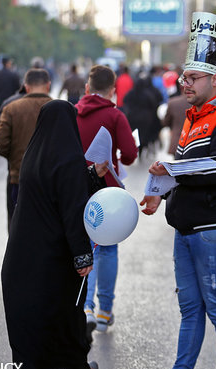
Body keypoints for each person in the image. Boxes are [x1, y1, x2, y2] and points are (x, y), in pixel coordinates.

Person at [135, 68, 216, 369]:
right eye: (184, 78)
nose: (185, 84)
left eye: (194, 78)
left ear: (215, 81)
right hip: (187, 229)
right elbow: (188, 171)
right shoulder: (192, 117)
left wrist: (174, 171)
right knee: (190, 309)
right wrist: (163, 190)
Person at [0, 100, 105, 369]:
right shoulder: (69, 158)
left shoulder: (33, 155)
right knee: (67, 315)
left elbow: (56, 189)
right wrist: (83, 256)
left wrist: (89, 174)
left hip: (20, 259)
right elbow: (72, 210)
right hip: (52, 260)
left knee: (26, 322)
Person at [75, 65, 138, 340]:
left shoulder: (71, 112)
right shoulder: (114, 115)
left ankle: (85, 307)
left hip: (76, 190)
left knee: (82, 248)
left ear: (87, 88)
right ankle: (104, 313)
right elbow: (131, 154)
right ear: (113, 90)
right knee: (107, 250)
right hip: (107, 195)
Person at [0, 69, 52, 231]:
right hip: (50, 182)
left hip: (18, 178)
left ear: (26, 87)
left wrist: (14, 157)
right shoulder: (61, 109)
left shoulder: (12, 108)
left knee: (17, 227)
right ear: (48, 86)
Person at [123, 76, 163, 156]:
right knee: (144, 135)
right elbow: (154, 103)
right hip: (146, 118)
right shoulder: (147, 94)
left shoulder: (131, 93)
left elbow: (125, 101)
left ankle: (136, 149)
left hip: (132, 118)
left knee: (135, 134)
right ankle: (142, 149)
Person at [162, 79, 191, 155]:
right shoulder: (199, 103)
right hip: (193, 142)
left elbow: (165, 122)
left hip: (177, 142)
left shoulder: (173, 102)